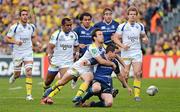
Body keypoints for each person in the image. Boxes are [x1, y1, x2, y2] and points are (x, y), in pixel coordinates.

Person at [41, 28, 116, 105]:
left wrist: (122, 63)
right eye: (100, 34)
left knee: (88, 79)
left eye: (102, 34)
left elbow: (114, 53)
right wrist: (112, 64)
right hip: (79, 66)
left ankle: (77, 96)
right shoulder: (92, 47)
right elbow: (100, 61)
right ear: (94, 37)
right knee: (62, 82)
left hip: (88, 69)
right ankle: (51, 89)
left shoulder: (104, 48)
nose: (102, 36)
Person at [112, 6, 149, 101]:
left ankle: (137, 96)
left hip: (136, 52)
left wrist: (145, 39)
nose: (132, 16)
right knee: (125, 75)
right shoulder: (122, 26)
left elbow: (144, 36)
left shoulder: (140, 26)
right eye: (131, 14)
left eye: (134, 14)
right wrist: (122, 46)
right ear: (127, 15)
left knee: (137, 73)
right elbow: (115, 38)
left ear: (136, 16)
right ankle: (124, 83)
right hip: (126, 53)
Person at [42, 17, 79, 98]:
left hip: (67, 62)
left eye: (70, 25)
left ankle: (49, 97)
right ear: (62, 26)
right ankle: (46, 91)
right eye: (67, 25)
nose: (69, 27)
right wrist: (49, 54)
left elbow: (76, 46)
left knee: (63, 81)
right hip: (56, 61)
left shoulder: (74, 35)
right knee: (48, 81)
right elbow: (50, 46)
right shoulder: (57, 34)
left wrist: (77, 53)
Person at [4, 8, 36, 100]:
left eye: (26, 14)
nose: (25, 16)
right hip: (18, 53)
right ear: (20, 16)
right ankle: (14, 76)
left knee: (29, 72)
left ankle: (29, 95)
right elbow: (7, 38)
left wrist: (37, 44)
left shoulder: (31, 27)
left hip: (28, 52)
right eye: (23, 15)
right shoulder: (15, 27)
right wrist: (16, 41)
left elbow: (33, 37)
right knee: (18, 74)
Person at [72, 12, 95, 89]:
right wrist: (78, 45)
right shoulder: (77, 30)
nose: (87, 21)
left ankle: (88, 88)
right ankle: (75, 79)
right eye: (85, 20)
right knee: (79, 72)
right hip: (80, 55)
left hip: (91, 56)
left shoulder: (94, 30)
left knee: (90, 75)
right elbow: (72, 41)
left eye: (89, 20)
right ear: (81, 21)